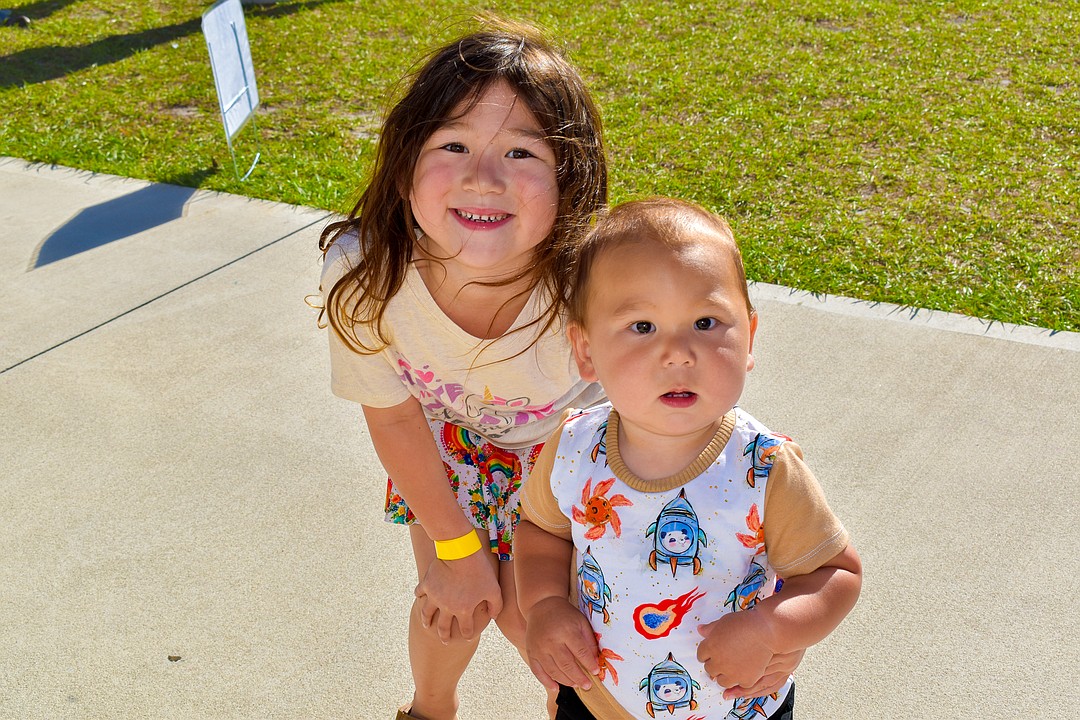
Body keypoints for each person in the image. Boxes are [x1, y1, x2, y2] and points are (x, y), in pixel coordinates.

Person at [318, 19, 609, 720]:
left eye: (520, 151)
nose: (483, 177)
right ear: (404, 164)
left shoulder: (593, 279)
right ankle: (430, 708)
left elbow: (672, 367)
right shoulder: (366, 274)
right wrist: (455, 545)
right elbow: (391, 414)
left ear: (570, 179)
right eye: (452, 145)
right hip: (449, 449)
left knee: (548, 638)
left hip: (568, 459)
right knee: (458, 604)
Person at [515, 198, 863, 720]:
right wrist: (542, 605)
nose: (677, 352)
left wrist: (772, 628)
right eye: (642, 327)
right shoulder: (572, 448)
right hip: (598, 698)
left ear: (749, 337)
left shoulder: (763, 468)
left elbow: (836, 574)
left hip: (735, 705)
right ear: (585, 351)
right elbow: (540, 531)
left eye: (705, 322)